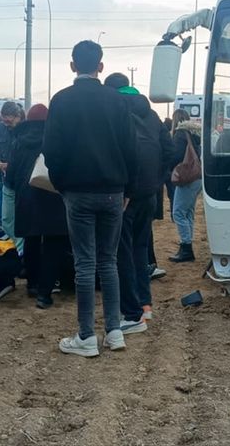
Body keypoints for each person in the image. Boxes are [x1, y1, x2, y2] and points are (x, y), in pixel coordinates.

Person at [43, 40, 137, 357]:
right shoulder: (116, 101)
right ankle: (113, 331)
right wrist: (129, 190)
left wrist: (61, 186)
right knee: (108, 261)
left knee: (85, 264)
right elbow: (130, 149)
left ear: (73, 66)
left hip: (77, 191)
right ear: (101, 66)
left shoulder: (61, 101)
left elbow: (52, 151)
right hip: (113, 192)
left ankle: (86, 336)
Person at [104, 73, 173, 328]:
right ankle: (145, 305)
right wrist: (157, 180)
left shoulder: (114, 112)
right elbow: (170, 151)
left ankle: (132, 314)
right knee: (141, 249)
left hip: (123, 193)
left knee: (121, 252)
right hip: (149, 193)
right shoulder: (152, 114)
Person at [8, 103, 73, 308]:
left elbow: (10, 176)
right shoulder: (58, 139)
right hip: (53, 196)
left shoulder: (18, 141)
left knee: (31, 241)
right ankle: (49, 287)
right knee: (54, 243)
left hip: (26, 198)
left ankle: (32, 284)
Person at [169, 109, 202, 263]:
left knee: (178, 213)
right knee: (188, 212)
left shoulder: (180, 135)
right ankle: (187, 245)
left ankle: (186, 247)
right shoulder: (195, 134)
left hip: (186, 178)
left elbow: (175, 156)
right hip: (197, 177)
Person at [0, 102, 26, 251]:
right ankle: (8, 247)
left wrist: (11, 165)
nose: (7, 124)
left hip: (22, 182)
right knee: (5, 218)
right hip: (4, 178)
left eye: (10, 121)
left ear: (18, 116)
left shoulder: (25, 131)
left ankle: (19, 251)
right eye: (4, 120)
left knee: (19, 218)